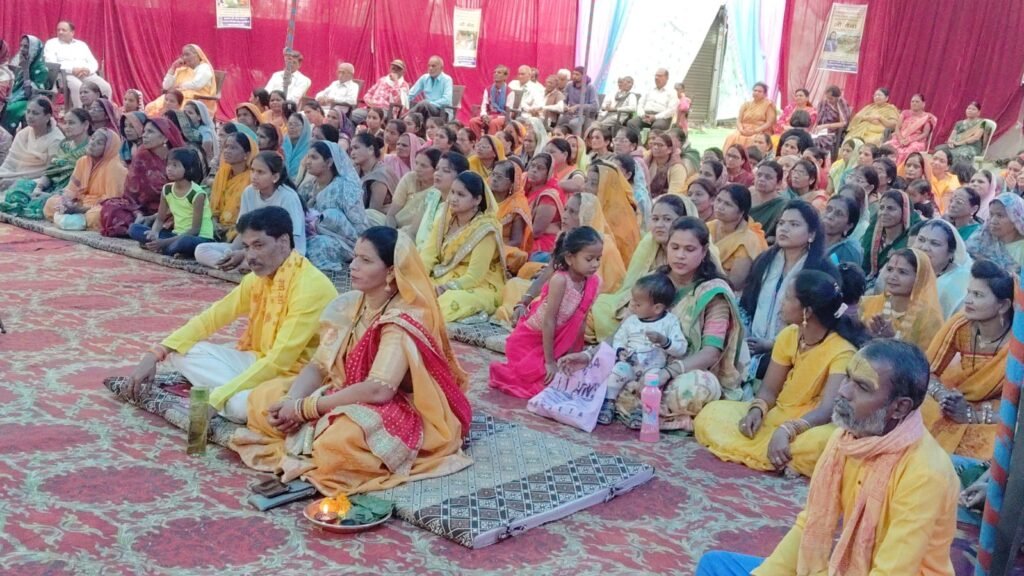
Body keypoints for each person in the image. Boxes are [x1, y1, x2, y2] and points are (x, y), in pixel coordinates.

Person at [230, 226, 471, 494]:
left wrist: (305, 409)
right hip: (343, 390)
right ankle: (305, 429)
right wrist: (292, 401)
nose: (353, 266)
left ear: (391, 272)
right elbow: (319, 365)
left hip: (394, 404)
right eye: (355, 257)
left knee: (338, 441)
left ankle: (318, 443)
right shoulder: (349, 304)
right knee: (264, 398)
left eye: (365, 260)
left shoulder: (403, 317)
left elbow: (379, 390)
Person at [695, 340, 958, 576]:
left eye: (862, 387)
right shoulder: (844, 440)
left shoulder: (925, 472)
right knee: (714, 565)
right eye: (847, 378)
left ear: (899, 407)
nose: (843, 392)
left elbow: (893, 571)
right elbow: (810, 524)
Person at [128, 206, 337, 422]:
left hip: (298, 376)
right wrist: (156, 352)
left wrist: (218, 397)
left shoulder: (309, 288)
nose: (250, 256)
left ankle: (235, 395)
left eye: (258, 245)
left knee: (239, 406)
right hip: (261, 359)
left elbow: (279, 361)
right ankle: (238, 392)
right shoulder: (257, 279)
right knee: (182, 352)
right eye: (246, 247)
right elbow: (212, 318)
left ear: (283, 241)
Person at [568, 217, 747, 430]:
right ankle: (639, 405)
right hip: (637, 366)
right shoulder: (654, 281)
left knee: (698, 388)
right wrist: (590, 355)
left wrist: (667, 373)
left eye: (689, 249)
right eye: (675, 247)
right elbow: (624, 330)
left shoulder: (713, 292)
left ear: (704, 251)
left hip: (682, 371)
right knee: (598, 370)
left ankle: (632, 404)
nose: (680, 255)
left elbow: (711, 353)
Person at [697, 269, 869, 477]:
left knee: (821, 444)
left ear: (807, 312)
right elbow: (769, 390)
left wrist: (788, 430)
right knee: (711, 413)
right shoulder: (789, 335)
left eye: (787, 297)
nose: (781, 303)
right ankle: (783, 458)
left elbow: (826, 410)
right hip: (776, 416)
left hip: (811, 425)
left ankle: (789, 456)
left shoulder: (842, 351)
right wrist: (757, 410)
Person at [490, 226, 604, 398]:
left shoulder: (594, 282)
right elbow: (549, 321)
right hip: (533, 339)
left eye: (598, 259)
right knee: (542, 381)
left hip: (560, 340)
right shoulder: (560, 280)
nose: (595, 264)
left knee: (570, 379)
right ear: (570, 258)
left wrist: (573, 356)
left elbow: (580, 322)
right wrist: (550, 362)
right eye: (589, 259)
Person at [924, 259, 1012, 461]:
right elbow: (927, 372)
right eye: (969, 293)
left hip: (1001, 411)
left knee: (997, 444)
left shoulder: (1018, 342)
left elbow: (1020, 410)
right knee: (918, 409)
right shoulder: (960, 324)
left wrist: (971, 416)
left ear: (1003, 305)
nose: (968, 301)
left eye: (978, 295)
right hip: (956, 397)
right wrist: (945, 398)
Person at [743, 201, 835, 376]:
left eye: (794, 224)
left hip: (798, 352)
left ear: (811, 234)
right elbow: (747, 304)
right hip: (751, 346)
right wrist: (745, 339)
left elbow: (821, 319)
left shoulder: (821, 270)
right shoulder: (764, 261)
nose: (784, 229)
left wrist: (773, 344)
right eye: (781, 223)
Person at [589, 194, 695, 341]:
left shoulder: (699, 250)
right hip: (645, 303)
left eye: (667, 219)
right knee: (594, 311)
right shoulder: (649, 243)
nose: (659, 225)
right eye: (655, 219)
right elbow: (633, 285)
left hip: (682, 309)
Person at [593, 272, 688, 425]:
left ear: (657, 308)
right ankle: (608, 402)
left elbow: (681, 348)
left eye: (638, 304)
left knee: (653, 382)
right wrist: (620, 350)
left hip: (653, 367)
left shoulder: (670, 322)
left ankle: (642, 410)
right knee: (617, 372)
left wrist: (664, 341)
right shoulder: (631, 321)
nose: (633, 306)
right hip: (630, 364)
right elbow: (619, 338)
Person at [194, 152, 306, 270]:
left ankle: (241, 266)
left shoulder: (288, 197)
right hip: (252, 247)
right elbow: (244, 230)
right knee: (201, 250)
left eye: (260, 172)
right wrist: (236, 250)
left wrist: (245, 253)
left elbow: (291, 241)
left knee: (257, 259)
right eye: (252, 170)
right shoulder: (249, 192)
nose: (254, 176)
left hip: (281, 251)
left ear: (275, 177)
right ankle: (234, 266)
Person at [420, 170, 506, 322]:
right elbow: (428, 254)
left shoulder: (485, 230)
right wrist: (419, 277)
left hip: (478, 285)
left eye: (461, 195)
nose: (453, 198)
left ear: (477, 200)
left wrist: (444, 288)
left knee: (448, 302)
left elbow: (474, 277)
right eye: (452, 192)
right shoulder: (445, 220)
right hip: (444, 275)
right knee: (412, 290)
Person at [0, 107, 93, 218]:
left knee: (45, 202)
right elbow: (51, 171)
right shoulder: (64, 145)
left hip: (71, 191)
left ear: (85, 125)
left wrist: (58, 193)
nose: (67, 127)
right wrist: (38, 188)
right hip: (52, 185)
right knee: (19, 188)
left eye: (71, 123)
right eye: (65, 123)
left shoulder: (92, 148)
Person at [126, 147, 213, 256]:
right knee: (134, 228)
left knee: (184, 242)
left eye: (175, 165)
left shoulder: (197, 194)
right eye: (168, 165)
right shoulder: (167, 189)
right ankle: (167, 248)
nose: (169, 169)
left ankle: (165, 248)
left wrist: (164, 243)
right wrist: (154, 233)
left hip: (198, 237)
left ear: (189, 169)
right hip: (175, 235)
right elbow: (160, 219)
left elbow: (195, 230)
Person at [299, 141, 369, 273]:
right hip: (311, 234)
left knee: (319, 241)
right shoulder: (308, 186)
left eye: (314, 157)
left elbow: (358, 223)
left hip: (344, 241)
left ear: (329, 162)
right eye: (308, 157)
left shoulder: (344, 187)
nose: (308, 162)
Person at [39, 128, 125, 230]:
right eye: (92, 139)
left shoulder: (115, 167)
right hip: (80, 201)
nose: (92, 144)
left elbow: (112, 202)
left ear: (109, 149)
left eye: (99, 143)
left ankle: (79, 219)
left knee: (95, 216)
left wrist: (81, 209)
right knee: (51, 203)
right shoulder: (83, 161)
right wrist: (67, 202)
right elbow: (71, 189)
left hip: (96, 206)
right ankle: (77, 220)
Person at [861, 248, 944, 352]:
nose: (892, 276)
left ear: (919, 278)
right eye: (889, 269)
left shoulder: (929, 318)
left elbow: (926, 358)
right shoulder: (867, 303)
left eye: (902, 272)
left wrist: (893, 339)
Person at [708, 184, 767, 291]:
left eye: (728, 204)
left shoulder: (748, 240)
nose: (720, 206)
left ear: (741, 211)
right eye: (719, 200)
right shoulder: (708, 227)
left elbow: (734, 283)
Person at [0, 97, 65, 191]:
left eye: (35, 113)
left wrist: (17, 182)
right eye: (28, 111)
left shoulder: (56, 140)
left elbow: (51, 174)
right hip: (11, 177)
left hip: (36, 186)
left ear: (47, 117)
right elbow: (10, 162)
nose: (30, 116)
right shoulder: (23, 134)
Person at [913, 219, 972, 319]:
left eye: (935, 243)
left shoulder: (959, 281)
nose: (924, 247)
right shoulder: (905, 269)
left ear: (951, 252)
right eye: (921, 240)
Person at [43, 21, 111, 108]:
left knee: (105, 87)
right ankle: (79, 113)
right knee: (78, 87)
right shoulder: (51, 44)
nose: (60, 32)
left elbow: (93, 62)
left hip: (85, 74)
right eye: (58, 30)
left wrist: (88, 70)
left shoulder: (81, 45)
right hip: (65, 75)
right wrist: (72, 70)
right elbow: (52, 63)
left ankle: (103, 111)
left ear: (72, 32)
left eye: (63, 30)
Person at [588, 159, 640, 264]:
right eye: (586, 181)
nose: (585, 187)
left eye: (593, 183)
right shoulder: (592, 208)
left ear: (607, 186)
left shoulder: (618, 219)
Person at [862, 190, 917, 283]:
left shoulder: (910, 243)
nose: (884, 212)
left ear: (905, 212)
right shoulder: (871, 236)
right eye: (881, 208)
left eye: (891, 208)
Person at [387, 146, 442, 239]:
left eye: (423, 166)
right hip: (395, 226)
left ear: (436, 170)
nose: (417, 168)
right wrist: (389, 233)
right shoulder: (410, 178)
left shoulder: (438, 190)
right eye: (416, 163)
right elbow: (391, 214)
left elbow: (421, 229)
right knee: (370, 214)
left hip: (415, 233)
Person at [146, 44, 217, 115]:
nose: (185, 58)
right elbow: (166, 86)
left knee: (178, 109)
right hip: (177, 97)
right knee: (151, 107)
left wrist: (179, 86)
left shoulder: (204, 67)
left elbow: (196, 85)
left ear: (197, 55)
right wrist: (173, 68)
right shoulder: (182, 70)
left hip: (197, 99)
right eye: (183, 55)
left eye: (187, 54)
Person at [490, 159, 532, 274]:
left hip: (501, 247)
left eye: (499, 177)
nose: (494, 179)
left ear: (512, 183)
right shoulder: (484, 198)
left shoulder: (517, 206)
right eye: (493, 174)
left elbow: (516, 241)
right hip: (478, 241)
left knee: (517, 255)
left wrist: (493, 247)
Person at [0, 36, 49, 136]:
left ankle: (6, 137)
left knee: (9, 109)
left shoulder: (42, 70)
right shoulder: (24, 63)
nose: (22, 49)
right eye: (21, 46)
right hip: (15, 97)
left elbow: (29, 94)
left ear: (34, 49)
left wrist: (26, 69)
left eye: (26, 46)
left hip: (31, 101)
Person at [966, 192, 1024, 274]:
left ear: (1015, 219)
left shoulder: (1021, 248)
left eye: (1000, 216)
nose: (993, 221)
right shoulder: (981, 238)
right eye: (991, 214)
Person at [349, 132, 397, 226]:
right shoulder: (355, 171)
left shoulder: (380, 175)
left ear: (370, 150)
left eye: (356, 148)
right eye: (351, 149)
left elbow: (373, 211)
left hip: (379, 221)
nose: (352, 153)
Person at [722, 82, 777, 151]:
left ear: (765, 94)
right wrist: (741, 129)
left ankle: (749, 157)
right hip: (743, 130)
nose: (756, 93)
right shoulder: (746, 104)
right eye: (755, 90)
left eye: (759, 91)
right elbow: (739, 120)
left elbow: (769, 123)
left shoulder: (768, 105)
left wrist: (754, 131)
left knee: (752, 140)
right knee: (731, 137)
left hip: (760, 130)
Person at [883, 94, 935, 165]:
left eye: (917, 101)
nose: (914, 103)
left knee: (907, 152)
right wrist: (901, 139)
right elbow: (897, 128)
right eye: (912, 101)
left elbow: (925, 134)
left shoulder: (926, 117)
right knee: (886, 147)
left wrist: (910, 140)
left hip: (916, 141)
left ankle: (899, 169)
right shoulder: (905, 113)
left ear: (923, 104)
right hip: (900, 138)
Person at [626, 69, 678, 133]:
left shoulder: (672, 92)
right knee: (631, 123)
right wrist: (642, 115)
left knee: (657, 126)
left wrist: (655, 117)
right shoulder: (649, 89)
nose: (656, 78)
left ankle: (651, 140)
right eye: (656, 76)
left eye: (659, 76)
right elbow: (640, 104)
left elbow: (671, 110)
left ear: (667, 78)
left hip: (662, 118)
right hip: (645, 115)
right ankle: (638, 139)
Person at [749, 161, 787, 242]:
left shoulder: (782, 205)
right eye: (759, 175)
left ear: (778, 183)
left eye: (768, 177)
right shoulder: (747, 194)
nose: (761, 179)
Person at [469, 65, 511, 137]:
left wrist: (495, 118)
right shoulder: (488, 89)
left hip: (502, 117)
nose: (496, 74)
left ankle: (491, 142)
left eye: (499, 72)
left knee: (493, 123)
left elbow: (508, 112)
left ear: (505, 76)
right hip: (489, 115)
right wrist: (484, 115)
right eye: (494, 72)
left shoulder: (509, 92)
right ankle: (478, 141)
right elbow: (484, 106)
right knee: (473, 121)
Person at [823, 194, 863, 265]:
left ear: (849, 226)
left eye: (839, 214)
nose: (829, 216)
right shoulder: (809, 238)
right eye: (829, 209)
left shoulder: (848, 253)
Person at [557, 66, 598, 135]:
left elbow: (595, 106)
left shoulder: (590, 87)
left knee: (574, 123)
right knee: (561, 119)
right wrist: (565, 106)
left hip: (583, 115)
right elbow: (563, 100)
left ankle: (576, 140)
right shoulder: (569, 85)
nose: (574, 76)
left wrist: (578, 106)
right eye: (573, 74)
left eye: (577, 74)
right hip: (569, 113)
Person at [646, 133, 685, 198]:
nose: (655, 147)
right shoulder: (648, 161)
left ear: (669, 150)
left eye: (660, 145)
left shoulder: (677, 168)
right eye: (654, 144)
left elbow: (674, 194)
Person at [282, 111, 312, 185]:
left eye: (296, 124)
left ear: (304, 127)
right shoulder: (281, 144)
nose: (292, 127)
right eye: (290, 124)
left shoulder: (311, 148)